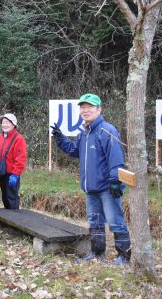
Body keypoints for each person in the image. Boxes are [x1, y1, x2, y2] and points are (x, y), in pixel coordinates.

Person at [51, 93, 131, 265]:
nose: (85, 110)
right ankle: (97, 254)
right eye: (83, 107)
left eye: (90, 107)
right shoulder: (84, 133)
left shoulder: (107, 130)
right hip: (90, 189)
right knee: (95, 223)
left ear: (99, 109)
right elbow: (73, 150)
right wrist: (60, 137)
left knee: (115, 221)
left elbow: (116, 159)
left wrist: (116, 181)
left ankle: (124, 257)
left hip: (108, 188)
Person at [0, 113, 27, 210]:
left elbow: (21, 158)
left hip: (12, 173)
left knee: (12, 197)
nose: (5, 125)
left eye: (8, 122)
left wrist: (16, 174)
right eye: (3, 122)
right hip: (0, 172)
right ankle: (8, 218)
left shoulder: (19, 138)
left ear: (14, 124)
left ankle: (15, 220)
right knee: (4, 196)